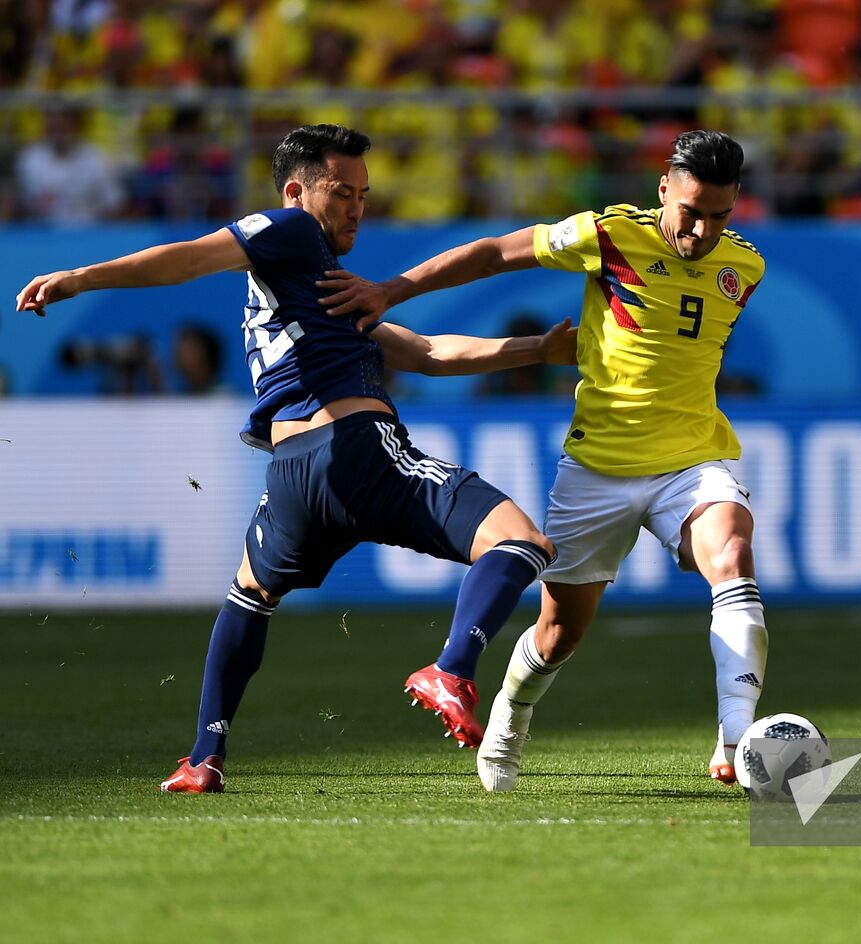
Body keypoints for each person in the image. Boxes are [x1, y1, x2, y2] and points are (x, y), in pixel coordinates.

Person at [16, 124, 576, 793]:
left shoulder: (317, 289)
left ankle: (203, 756)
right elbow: (189, 257)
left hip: (292, 478)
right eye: (342, 192)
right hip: (359, 449)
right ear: (296, 191)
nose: (357, 208)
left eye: (365, 194)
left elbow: (426, 352)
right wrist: (82, 277)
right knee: (520, 542)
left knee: (249, 595)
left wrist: (535, 349)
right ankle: (452, 668)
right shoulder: (288, 231)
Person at [317, 130, 768, 792]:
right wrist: (390, 291)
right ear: (663, 188)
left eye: (719, 217)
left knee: (731, 555)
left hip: (692, 459)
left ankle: (735, 738)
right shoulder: (609, 236)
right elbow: (495, 254)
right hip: (599, 469)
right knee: (559, 634)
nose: (701, 231)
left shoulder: (745, 267)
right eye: (692, 211)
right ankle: (511, 711)